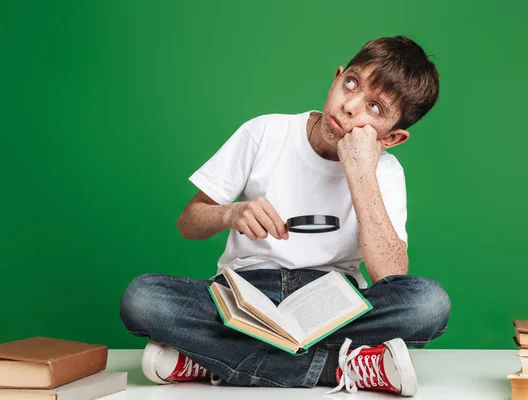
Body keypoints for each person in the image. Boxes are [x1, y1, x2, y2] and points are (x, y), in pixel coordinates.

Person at [120, 35, 451, 396]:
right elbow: (189, 223)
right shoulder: (265, 132)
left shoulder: (385, 171)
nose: (350, 106)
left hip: (334, 305)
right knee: (142, 297)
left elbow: (391, 277)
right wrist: (231, 213)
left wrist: (362, 175)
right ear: (337, 78)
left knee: (428, 303)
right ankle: (340, 366)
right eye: (351, 84)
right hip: (244, 296)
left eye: (375, 109)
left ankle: (212, 358)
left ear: (392, 138)